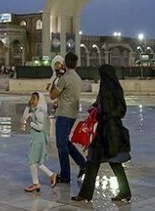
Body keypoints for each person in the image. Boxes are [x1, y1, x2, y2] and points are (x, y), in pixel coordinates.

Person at [72, 65, 132, 202]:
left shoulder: (106, 90)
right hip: (113, 131)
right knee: (114, 163)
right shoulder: (117, 88)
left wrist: (98, 112)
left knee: (93, 162)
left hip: (105, 132)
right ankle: (125, 192)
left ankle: (85, 194)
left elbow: (106, 110)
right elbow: (121, 110)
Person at [49, 52, 87, 184]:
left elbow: (53, 95)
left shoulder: (64, 78)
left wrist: (53, 83)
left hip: (63, 114)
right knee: (65, 142)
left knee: (61, 145)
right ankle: (83, 164)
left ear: (65, 63)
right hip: (72, 114)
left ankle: (65, 175)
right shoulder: (78, 78)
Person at [22, 92, 58, 192]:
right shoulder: (35, 111)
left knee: (32, 160)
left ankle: (36, 183)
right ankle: (51, 175)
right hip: (36, 138)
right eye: (31, 98)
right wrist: (27, 106)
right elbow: (25, 117)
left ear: (39, 100)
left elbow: (40, 127)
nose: (32, 101)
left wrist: (31, 123)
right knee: (37, 162)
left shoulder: (40, 113)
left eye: (34, 99)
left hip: (38, 138)